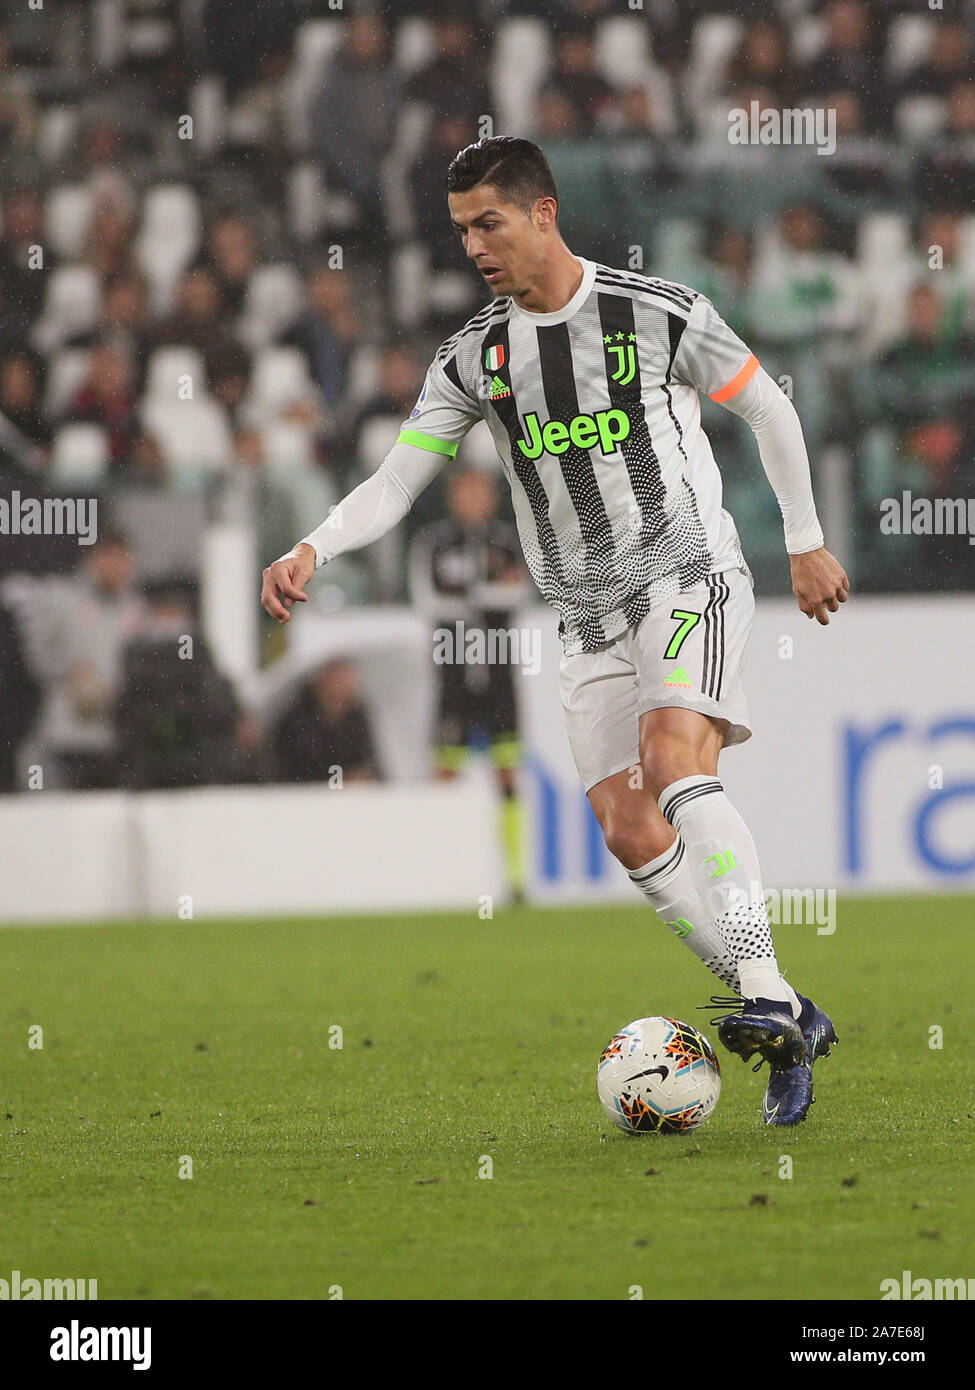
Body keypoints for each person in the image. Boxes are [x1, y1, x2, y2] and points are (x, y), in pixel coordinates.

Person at [261, 136, 849, 1127]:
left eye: (488, 222)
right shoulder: (475, 356)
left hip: (687, 577)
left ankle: (759, 993)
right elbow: (402, 475)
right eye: (459, 230)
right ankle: (788, 1008)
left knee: (675, 761)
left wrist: (805, 540)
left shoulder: (654, 312)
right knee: (628, 829)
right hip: (583, 623)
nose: (474, 246)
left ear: (545, 212)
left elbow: (767, 406)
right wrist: (317, 545)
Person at [409, 466, 529, 899]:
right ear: (452, 496)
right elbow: (429, 600)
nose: (473, 499)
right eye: (465, 490)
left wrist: (471, 596)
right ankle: (438, 870)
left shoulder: (509, 540)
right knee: (446, 769)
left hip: (498, 676)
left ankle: (514, 876)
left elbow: (518, 594)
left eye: (480, 490)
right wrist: (481, 596)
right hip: (454, 675)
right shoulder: (433, 542)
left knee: (508, 773)